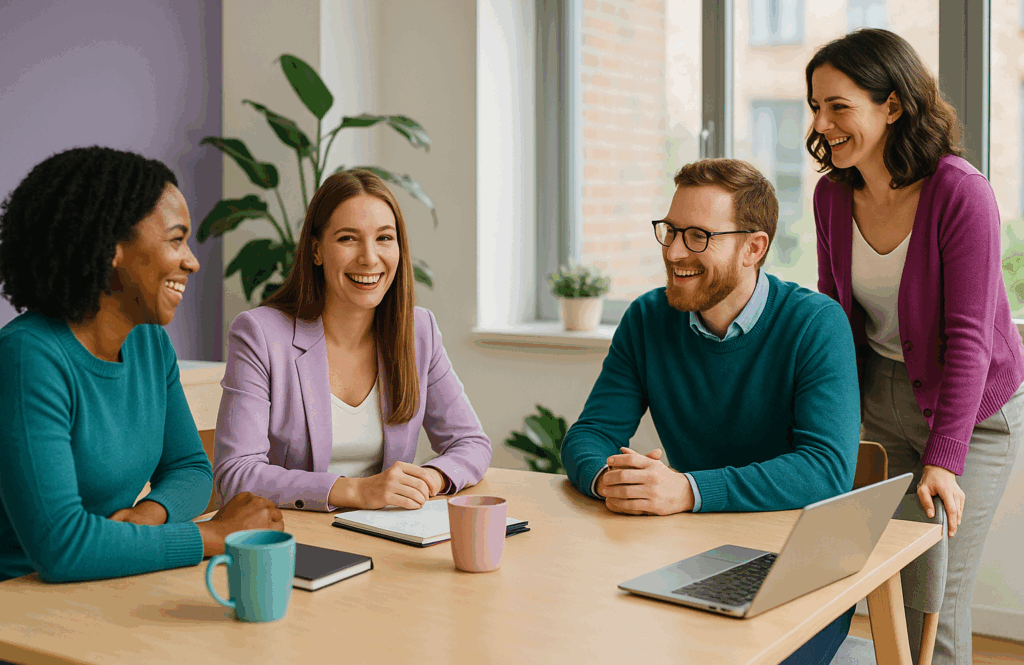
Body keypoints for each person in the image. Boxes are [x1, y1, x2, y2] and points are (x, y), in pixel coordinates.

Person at [560, 158, 861, 664]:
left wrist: (690, 490)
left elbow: (826, 471)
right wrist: (608, 480)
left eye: (698, 236)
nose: (675, 251)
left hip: (796, 564)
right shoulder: (647, 319)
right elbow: (589, 435)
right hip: (685, 552)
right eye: (671, 231)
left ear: (754, 247)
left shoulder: (815, 324)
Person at [808, 28, 1024, 665]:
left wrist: (945, 458)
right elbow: (835, 321)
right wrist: (831, 425)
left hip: (973, 411)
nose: (823, 122)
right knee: (882, 587)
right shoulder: (831, 196)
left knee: (934, 597)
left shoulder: (960, 193)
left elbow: (968, 342)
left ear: (893, 105)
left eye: (839, 106)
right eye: (816, 106)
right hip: (884, 401)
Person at [0, 146, 284, 583]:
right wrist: (216, 536)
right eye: (176, 238)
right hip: (22, 603)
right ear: (110, 246)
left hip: (112, 579)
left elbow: (190, 468)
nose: (191, 260)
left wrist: (145, 518)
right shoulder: (27, 357)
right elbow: (61, 547)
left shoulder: (149, 344)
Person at [213, 170, 491, 512]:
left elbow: (470, 442)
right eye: (348, 238)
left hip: (388, 535)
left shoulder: (419, 330)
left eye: (384, 238)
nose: (369, 258)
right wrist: (356, 491)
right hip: (294, 538)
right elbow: (236, 474)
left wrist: (429, 478)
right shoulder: (260, 334)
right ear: (316, 250)